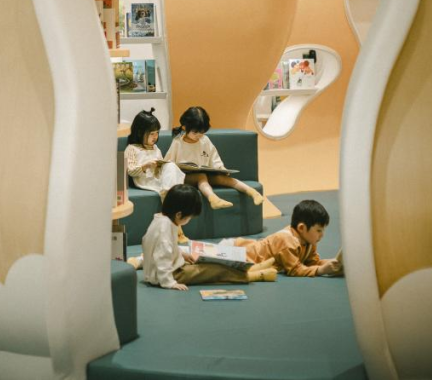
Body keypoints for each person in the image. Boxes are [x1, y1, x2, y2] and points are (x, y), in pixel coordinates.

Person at [131, 184, 277, 289]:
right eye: (189, 218)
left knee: (207, 263)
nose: (188, 221)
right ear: (179, 215)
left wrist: (181, 253)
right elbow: (162, 257)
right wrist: (169, 283)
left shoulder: (162, 220)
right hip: (170, 274)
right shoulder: (165, 228)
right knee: (213, 271)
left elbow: (163, 248)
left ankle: (251, 268)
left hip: (171, 267)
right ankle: (252, 275)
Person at [165, 106, 266, 210]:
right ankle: (213, 199)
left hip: (204, 174)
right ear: (184, 127)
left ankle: (252, 192)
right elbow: (168, 163)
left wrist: (221, 169)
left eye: (202, 132)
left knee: (223, 179)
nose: (198, 136)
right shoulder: (178, 142)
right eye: (195, 133)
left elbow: (214, 158)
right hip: (184, 178)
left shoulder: (205, 140)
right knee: (201, 177)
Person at [233, 199, 342, 277]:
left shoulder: (310, 241)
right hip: (242, 255)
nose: (322, 235)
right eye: (319, 231)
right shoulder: (287, 242)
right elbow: (294, 270)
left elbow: (311, 263)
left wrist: (333, 263)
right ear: (302, 228)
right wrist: (321, 270)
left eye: (323, 230)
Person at [124, 108, 184, 195]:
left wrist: (161, 165)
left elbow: (161, 166)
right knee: (170, 178)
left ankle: (171, 192)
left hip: (158, 178)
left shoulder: (155, 148)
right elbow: (130, 170)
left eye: (157, 133)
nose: (155, 136)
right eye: (152, 133)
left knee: (171, 166)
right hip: (145, 180)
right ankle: (170, 194)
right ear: (140, 133)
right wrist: (145, 166)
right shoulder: (132, 149)